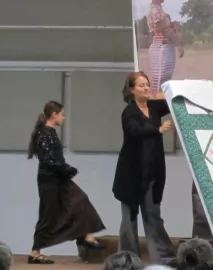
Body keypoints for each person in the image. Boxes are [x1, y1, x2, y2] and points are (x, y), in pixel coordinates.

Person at [26, 100, 106, 264]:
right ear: (54, 115)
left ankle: (86, 236)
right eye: (62, 114)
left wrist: (66, 170)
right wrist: (68, 169)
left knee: (80, 199)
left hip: (58, 178)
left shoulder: (49, 132)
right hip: (49, 180)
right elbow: (48, 160)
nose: (64, 118)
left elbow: (52, 160)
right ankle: (35, 252)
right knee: (48, 215)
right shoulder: (45, 133)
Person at [113, 72, 177, 265]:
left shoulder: (154, 107)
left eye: (147, 84)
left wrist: (174, 91)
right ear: (132, 90)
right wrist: (157, 130)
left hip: (151, 175)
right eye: (141, 85)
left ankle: (165, 260)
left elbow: (173, 100)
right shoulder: (129, 112)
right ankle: (127, 262)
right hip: (130, 177)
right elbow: (135, 131)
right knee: (129, 221)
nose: (146, 88)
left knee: (153, 216)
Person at [146, 0, 184, 94]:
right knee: (161, 80)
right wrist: (179, 44)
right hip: (161, 47)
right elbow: (165, 30)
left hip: (162, 47)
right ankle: (158, 102)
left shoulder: (158, 10)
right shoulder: (155, 10)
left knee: (161, 80)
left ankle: (159, 101)